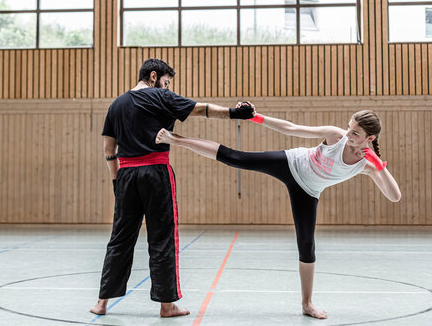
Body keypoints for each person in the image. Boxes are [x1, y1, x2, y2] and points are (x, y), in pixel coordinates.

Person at [155, 108, 401, 319]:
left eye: (355, 133)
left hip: (308, 190)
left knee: (307, 245)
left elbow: (394, 196)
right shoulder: (335, 136)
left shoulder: (366, 165)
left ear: (370, 138)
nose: (348, 134)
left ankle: (307, 304)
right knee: (236, 158)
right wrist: (256, 118)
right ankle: (177, 139)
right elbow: (291, 128)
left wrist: (379, 165)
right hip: (292, 163)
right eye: (349, 128)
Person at [90, 59, 254, 318]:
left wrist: (116, 182)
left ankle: (101, 303)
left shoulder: (116, 104)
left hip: (126, 175)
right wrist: (235, 113)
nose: (167, 86)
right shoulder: (160, 96)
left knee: (120, 238)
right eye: (166, 81)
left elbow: (109, 150)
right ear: (154, 76)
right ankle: (167, 305)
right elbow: (201, 110)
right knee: (162, 237)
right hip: (156, 172)